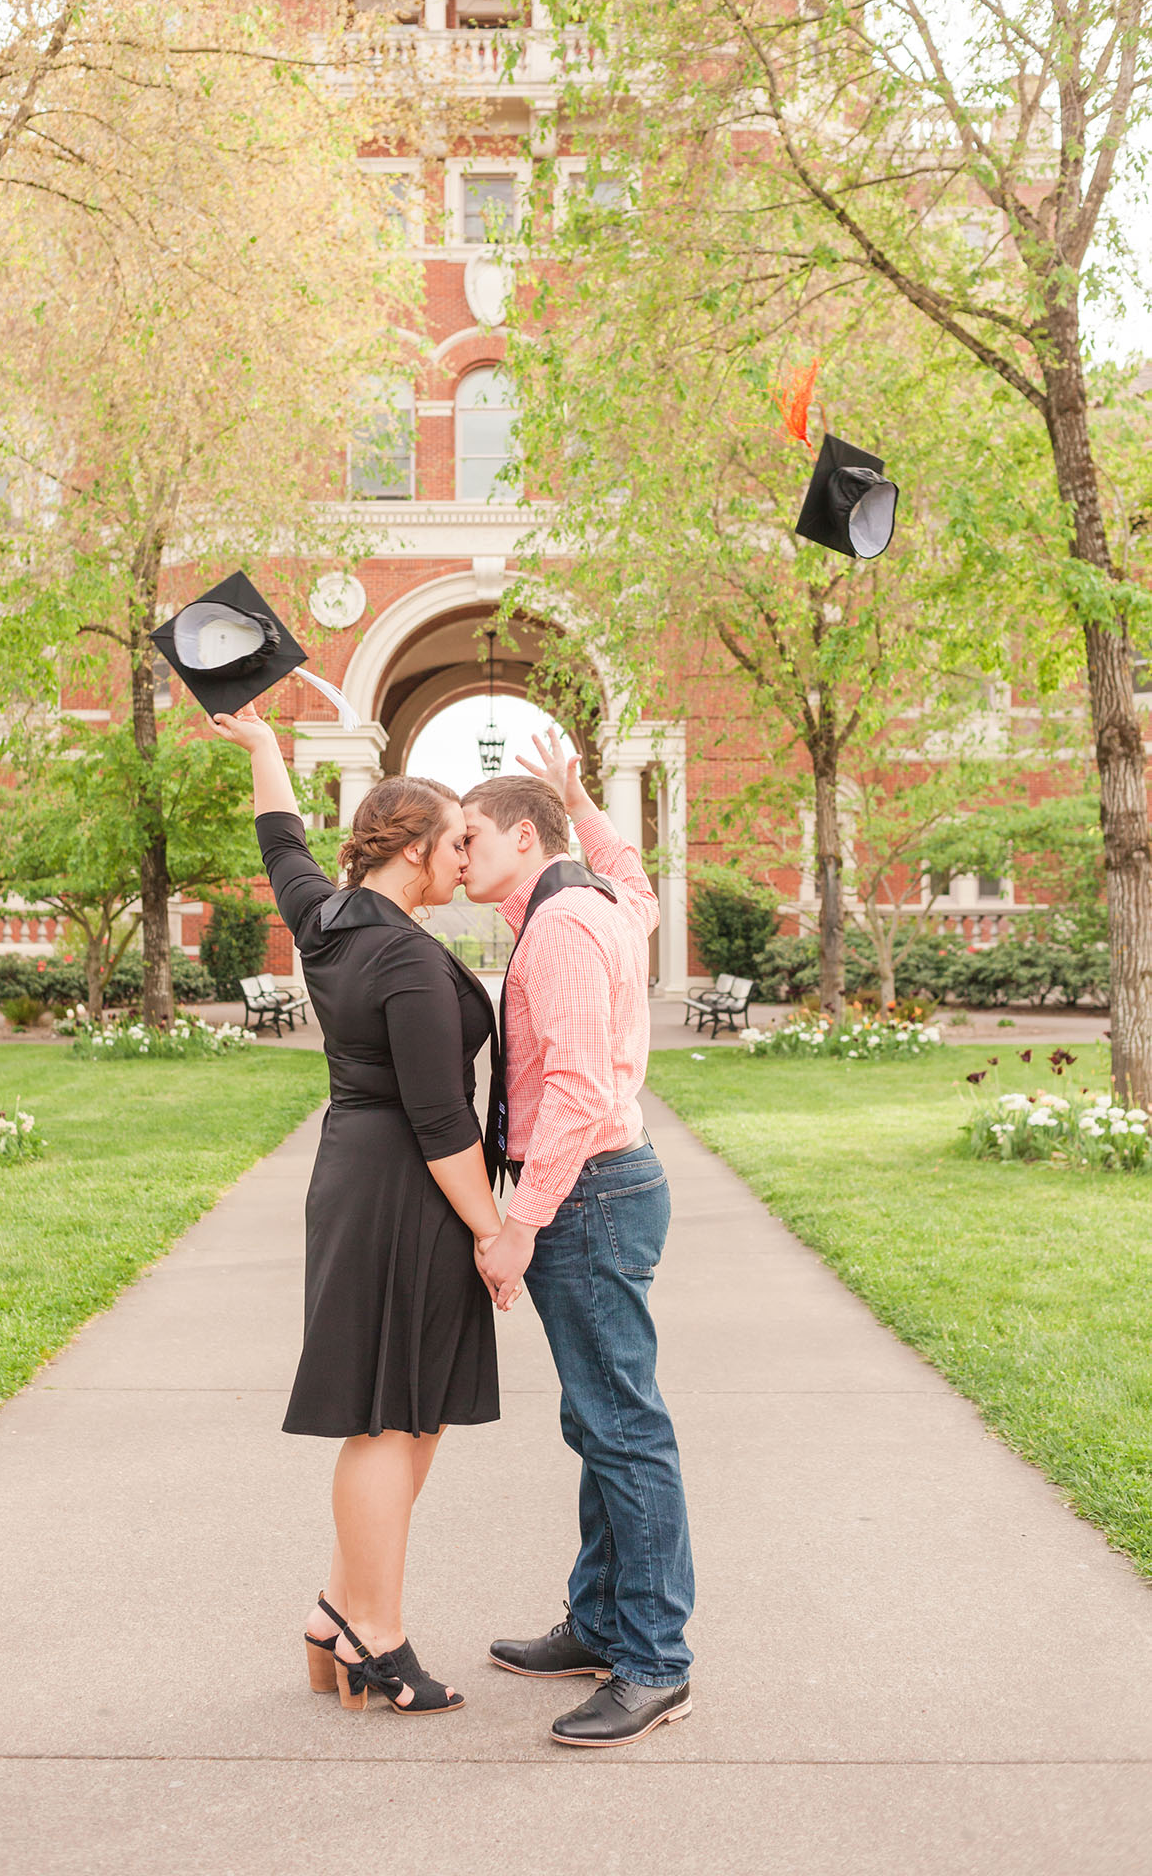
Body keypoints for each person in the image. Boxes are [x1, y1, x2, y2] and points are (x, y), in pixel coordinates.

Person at [210, 704, 512, 1718]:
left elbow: (281, 843)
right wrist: (492, 1228)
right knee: (393, 1418)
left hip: (354, 1170)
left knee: (405, 1407)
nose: (465, 856)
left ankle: (339, 1611)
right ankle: (377, 1635)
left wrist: (262, 748)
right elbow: (440, 1121)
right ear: (417, 847)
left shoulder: (328, 917)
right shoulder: (410, 960)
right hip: (405, 1187)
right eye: (456, 841)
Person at [461, 731, 695, 1749]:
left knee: (624, 1427)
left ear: (524, 835)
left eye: (469, 835)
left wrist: (517, 1226)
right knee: (599, 1420)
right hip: (612, 1187)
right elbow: (636, 876)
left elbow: (573, 1091)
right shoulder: (598, 904)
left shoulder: (559, 929)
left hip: (589, 1191)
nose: (455, 851)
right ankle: (601, 1621)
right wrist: (582, 798)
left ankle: (652, 1660)